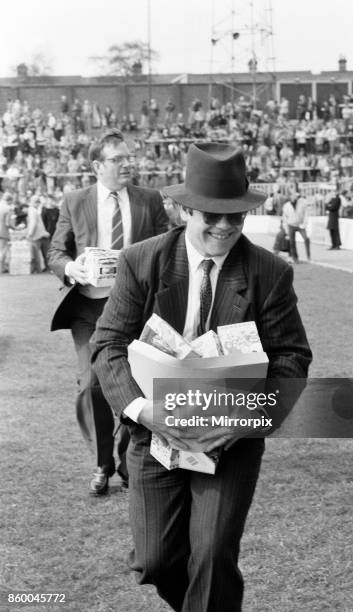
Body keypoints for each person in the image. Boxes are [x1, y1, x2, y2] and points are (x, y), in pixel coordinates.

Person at [92, 143, 312, 611]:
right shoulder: (141, 260)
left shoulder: (270, 272)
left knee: (211, 556)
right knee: (155, 561)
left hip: (229, 439)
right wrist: (143, 409)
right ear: (183, 209)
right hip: (155, 431)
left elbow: (291, 358)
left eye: (236, 216)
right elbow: (107, 344)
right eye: (212, 215)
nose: (225, 227)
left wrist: (241, 422)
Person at [48, 128, 169, 495]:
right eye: (118, 159)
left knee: (134, 385)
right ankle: (102, 464)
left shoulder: (149, 200)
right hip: (88, 307)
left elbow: (169, 246)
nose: (127, 164)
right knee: (92, 385)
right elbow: (56, 252)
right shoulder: (74, 200)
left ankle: (127, 457)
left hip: (137, 309)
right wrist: (72, 269)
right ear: (97, 166)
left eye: (129, 157)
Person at [282, 191, 311, 263]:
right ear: (290, 197)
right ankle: (295, 258)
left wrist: (304, 224)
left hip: (300, 225)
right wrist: (286, 231)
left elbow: (306, 214)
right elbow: (284, 218)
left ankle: (308, 256)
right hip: (291, 225)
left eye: (295, 196)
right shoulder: (286, 205)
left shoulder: (302, 204)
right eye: (292, 196)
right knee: (292, 243)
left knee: (306, 239)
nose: (294, 197)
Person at [0, 192, 14, 273]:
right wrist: (15, 228)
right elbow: (7, 223)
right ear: (9, 200)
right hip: (3, 232)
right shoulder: (7, 208)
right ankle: (1, 268)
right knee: (2, 251)